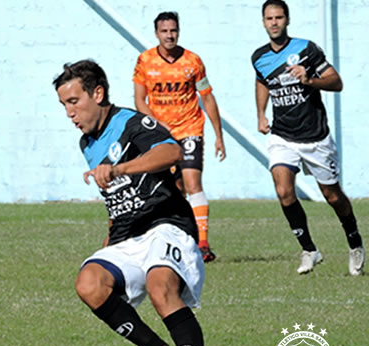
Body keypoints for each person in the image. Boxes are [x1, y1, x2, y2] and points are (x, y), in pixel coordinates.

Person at [54, 60, 220, 346]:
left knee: (160, 288)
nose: (69, 112)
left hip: (167, 224)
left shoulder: (130, 122)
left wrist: (120, 168)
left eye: (74, 101)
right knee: (89, 284)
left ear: (98, 94)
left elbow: (172, 151)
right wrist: (110, 234)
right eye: (64, 105)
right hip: (127, 235)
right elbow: (117, 196)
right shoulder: (87, 143)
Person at [253, 0, 364, 275]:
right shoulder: (259, 57)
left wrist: (309, 80)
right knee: (283, 191)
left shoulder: (306, 49)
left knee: (332, 196)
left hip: (315, 137)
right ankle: (309, 250)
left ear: (287, 20)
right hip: (282, 136)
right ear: (263, 22)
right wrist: (261, 114)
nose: (274, 22)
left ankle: (354, 241)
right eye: (269, 18)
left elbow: (336, 82)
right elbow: (262, 81)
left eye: (279, 17)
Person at [133, 12, 226, 263]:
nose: (169, 35)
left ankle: (203, 244)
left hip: (189, 129)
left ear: (179, 31)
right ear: (156, 34)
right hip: (160, 134)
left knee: (192, 183)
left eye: (173, 30)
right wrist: (156, 124)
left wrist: (219, 135)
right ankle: (174, 238)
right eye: (164, 31)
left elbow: (207, 97)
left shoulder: (193, 61)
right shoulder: (145, 61)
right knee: (173, 189)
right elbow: (139, 100)